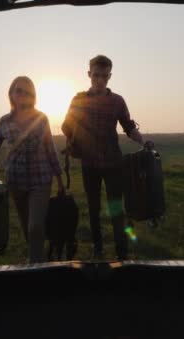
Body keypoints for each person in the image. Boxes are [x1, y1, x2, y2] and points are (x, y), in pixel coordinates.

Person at [62, 55, 144, 260]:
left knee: (116, 208)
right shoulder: (78, 99)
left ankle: (122, 250)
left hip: (113, 164)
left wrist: (144, 142)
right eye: (96, 75)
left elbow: (129, 127)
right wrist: (75, 137)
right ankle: (98, 248)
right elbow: (66, 126)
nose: (99, 80)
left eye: (104, 76)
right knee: (93, 209)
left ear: (110, 76)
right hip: (89, 165)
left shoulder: (117, 101)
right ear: (89, 74)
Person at [0, 76, 65, 263]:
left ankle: (36, 267)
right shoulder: (4, 121)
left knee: (35, 226)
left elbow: (50, 149)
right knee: (26, 226)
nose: (22, 95)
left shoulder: (41, 118)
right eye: (18, 90)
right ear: (11, 94)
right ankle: (40, 256)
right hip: (15, 181)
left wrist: (60, 180)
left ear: (33, 96)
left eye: (27, 92)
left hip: (41, 179)